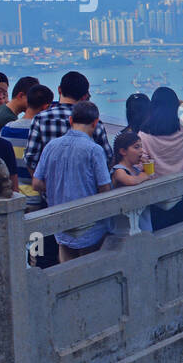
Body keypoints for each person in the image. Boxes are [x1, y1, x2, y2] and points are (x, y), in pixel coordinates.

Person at [31, 101, 111, 262]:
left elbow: (37, 183)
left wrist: (55, 187)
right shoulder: (94, 150)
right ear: (95, 123)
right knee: (89, 273)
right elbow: (105, 188)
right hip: (91, 225)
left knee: (66, 272)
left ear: (70, 120)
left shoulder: (51, 146)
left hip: (61, 223)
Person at [138, 87, 183, 230]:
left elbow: (144, 164)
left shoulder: (143, 133)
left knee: (162, 239)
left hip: (159, 196)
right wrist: (181, 103)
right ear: (174, 105)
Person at [25, 71, 112, 175]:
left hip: (50, 188)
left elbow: (31, 159)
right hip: (86, 189)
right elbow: (107, 158)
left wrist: (45, 184)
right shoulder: (94, 123)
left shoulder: (40, 119)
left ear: (59, 90)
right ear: (84, 96)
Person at [0, 83, 52, 181]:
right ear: (46, 107)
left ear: (27, 101)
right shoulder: (41, 131)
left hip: (13, 191)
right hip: (36, 192)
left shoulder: (6, 128)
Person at [110, 130, 156, 231]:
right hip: (125, 226)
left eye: (141, 146)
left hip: (141, 220)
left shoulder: (136, 169)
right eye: (136, 147)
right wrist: (145, 174)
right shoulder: (119, 170)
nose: (142, 151)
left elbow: (149, 178)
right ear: (123, 151)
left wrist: (146, 167)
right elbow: (132, 181)